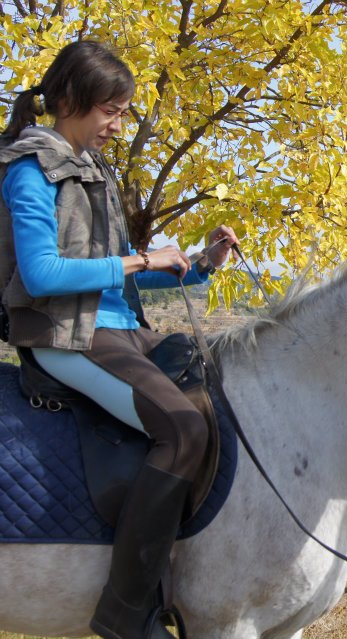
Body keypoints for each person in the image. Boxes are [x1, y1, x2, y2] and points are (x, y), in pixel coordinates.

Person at [0, 41, 238, 639]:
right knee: (183, 428)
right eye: (112, 110)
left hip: (120, 330)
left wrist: (198, 262)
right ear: (72, 100)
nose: (119, 124)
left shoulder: (91, 170)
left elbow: (119, 264)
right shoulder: (30, 171)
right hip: (66, 337)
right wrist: (136, 264)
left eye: (123, 112)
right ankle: (127, 615)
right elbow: (42, 273)